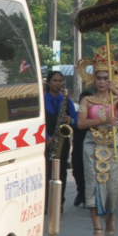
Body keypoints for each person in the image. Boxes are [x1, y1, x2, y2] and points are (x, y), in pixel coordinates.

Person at [80, 68, 118, 236]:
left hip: (113, 144)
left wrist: (116, 91)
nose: (102, 82)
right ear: (94, 80)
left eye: (106, 78)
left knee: (113, 187)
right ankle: (97, 229)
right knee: (93, 185)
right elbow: (81, 123)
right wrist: (104, 120)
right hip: (93, 144)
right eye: (99, 78)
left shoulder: (115, 99)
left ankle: (111, 214)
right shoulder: (87, 100)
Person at [44, 70, 85, 207]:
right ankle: (46, 202)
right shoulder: (43, 99)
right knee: (46, 172)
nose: (58, 83)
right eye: (55, 80)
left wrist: (70, 120)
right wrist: (46, 138)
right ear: (49, 83)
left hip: (62, 140)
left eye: (60, 81)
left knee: (61, 172)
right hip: (46, 140)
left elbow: (77, 121)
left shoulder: (67, 100)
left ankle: (59, 202)